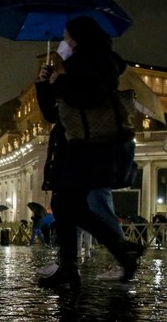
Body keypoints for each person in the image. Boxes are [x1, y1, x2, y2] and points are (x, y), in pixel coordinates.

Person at [35, 16, 144, 288]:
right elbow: (53, 114)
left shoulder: (102, 60)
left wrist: (61, 81)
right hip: (75, 144)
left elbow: (91, 96)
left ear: (80, 37)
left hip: (95, 146)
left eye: (67, 36)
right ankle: (108, 254)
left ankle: (114, 253)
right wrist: (44, 84)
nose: (65, 42)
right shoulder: (73, 66)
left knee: (67, 204)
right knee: (64, 204)